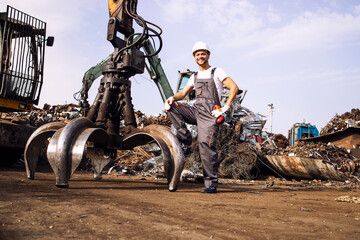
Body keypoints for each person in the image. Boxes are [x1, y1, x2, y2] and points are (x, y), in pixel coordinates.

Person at [164, 41, 239, 193]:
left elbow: (234, 87)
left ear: (208, 55)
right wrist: (172, 97)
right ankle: (185, 136)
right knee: (171, 105)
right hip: (196, 111)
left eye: (203, 53)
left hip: (210, 115)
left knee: (205, 145)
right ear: (194, 57)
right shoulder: (194, 76)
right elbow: (183, 94)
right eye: (197, 54)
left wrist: (225, 108)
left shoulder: (217, 72)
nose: (200, 56)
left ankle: (211, 183)